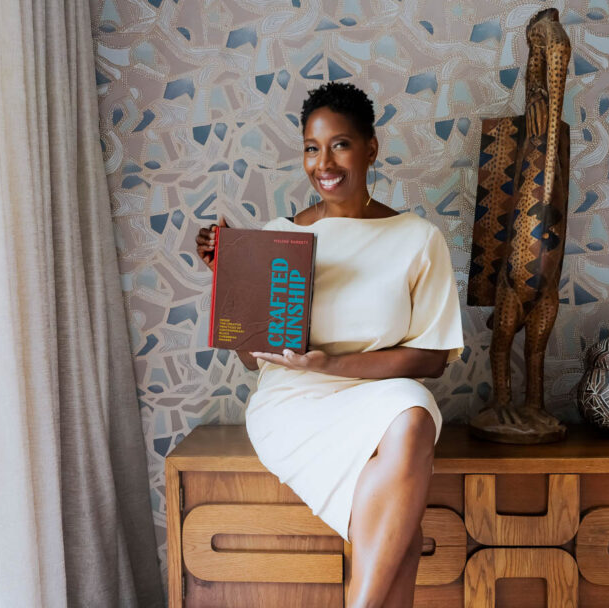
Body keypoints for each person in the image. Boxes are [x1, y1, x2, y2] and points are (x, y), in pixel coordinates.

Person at [194, 82, 463, 608]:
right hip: (294, 401)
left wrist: (333, 363)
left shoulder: (417, 237)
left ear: (370, 148)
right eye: (312, 148)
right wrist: (231, 281)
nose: (324, 162)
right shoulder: (278, 237)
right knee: (400, 533)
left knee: (413, 411)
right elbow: (255, 355)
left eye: (339, 144)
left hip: (377, 391)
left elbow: (431, 360)